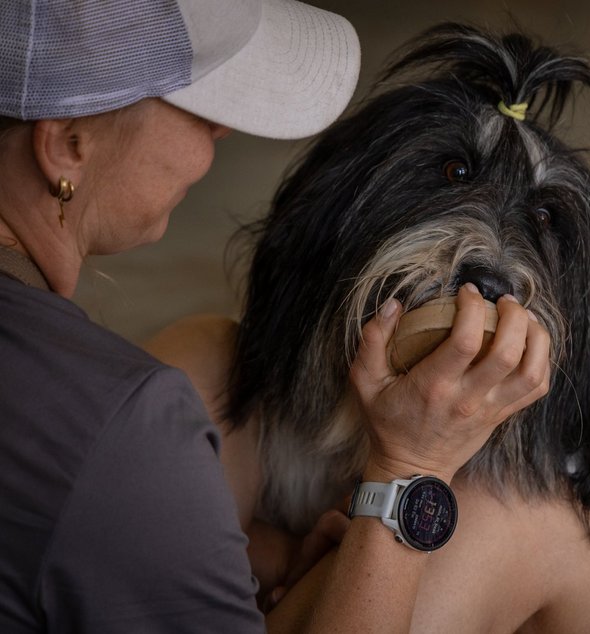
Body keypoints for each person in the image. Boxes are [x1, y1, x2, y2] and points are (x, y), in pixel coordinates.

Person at [0, 1, 550, 632]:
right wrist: (410, 470)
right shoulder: (125, 423)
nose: (223, 133)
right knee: (520, 520)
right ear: (68, 145)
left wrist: (272, 557)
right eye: (202, 107)